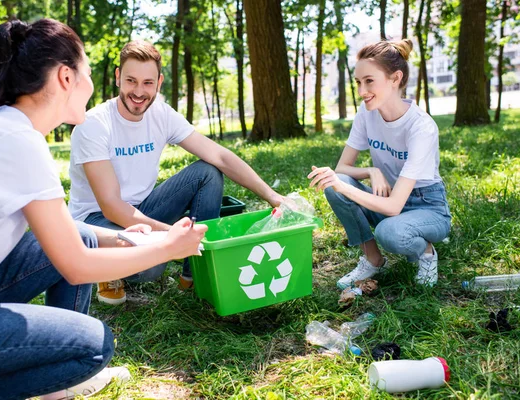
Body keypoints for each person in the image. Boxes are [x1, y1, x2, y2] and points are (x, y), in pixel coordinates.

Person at [0, 19, 206, 400]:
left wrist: (126, 236)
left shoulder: (10, 130)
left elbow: (66, 236)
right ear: (67, 77)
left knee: (85, 233)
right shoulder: (17, 141)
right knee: (94, 345)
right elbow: (76, 265)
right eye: (88, 70)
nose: (93, 82)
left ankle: (56, 380)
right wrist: (168, 248)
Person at [68, 40, 284, 305]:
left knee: (207, 171)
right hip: (96, 220)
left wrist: (273, 196)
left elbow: (219, 155)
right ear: (117, 78)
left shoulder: (160, 113)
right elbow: (112, 206)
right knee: (152, 267)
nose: (138, 91)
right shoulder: (94, 125)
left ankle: (194, 276)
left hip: (142, 209)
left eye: (147, 83)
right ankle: (110, 271)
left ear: (159, 83)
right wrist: (171, 237)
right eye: (131, 81)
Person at [308, 39, 451, 289]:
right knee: (336, 182)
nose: (362, 90)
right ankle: (373, 258)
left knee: (389, 231)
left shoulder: (421, 127)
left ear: (395, 78)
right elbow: (342, 169)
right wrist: (371, 171)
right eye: (359, 82)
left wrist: (345, 187)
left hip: (426, 207)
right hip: (385, 198)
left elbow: (395, 206)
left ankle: (426, 252)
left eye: (369, 81)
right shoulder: (366, 112)